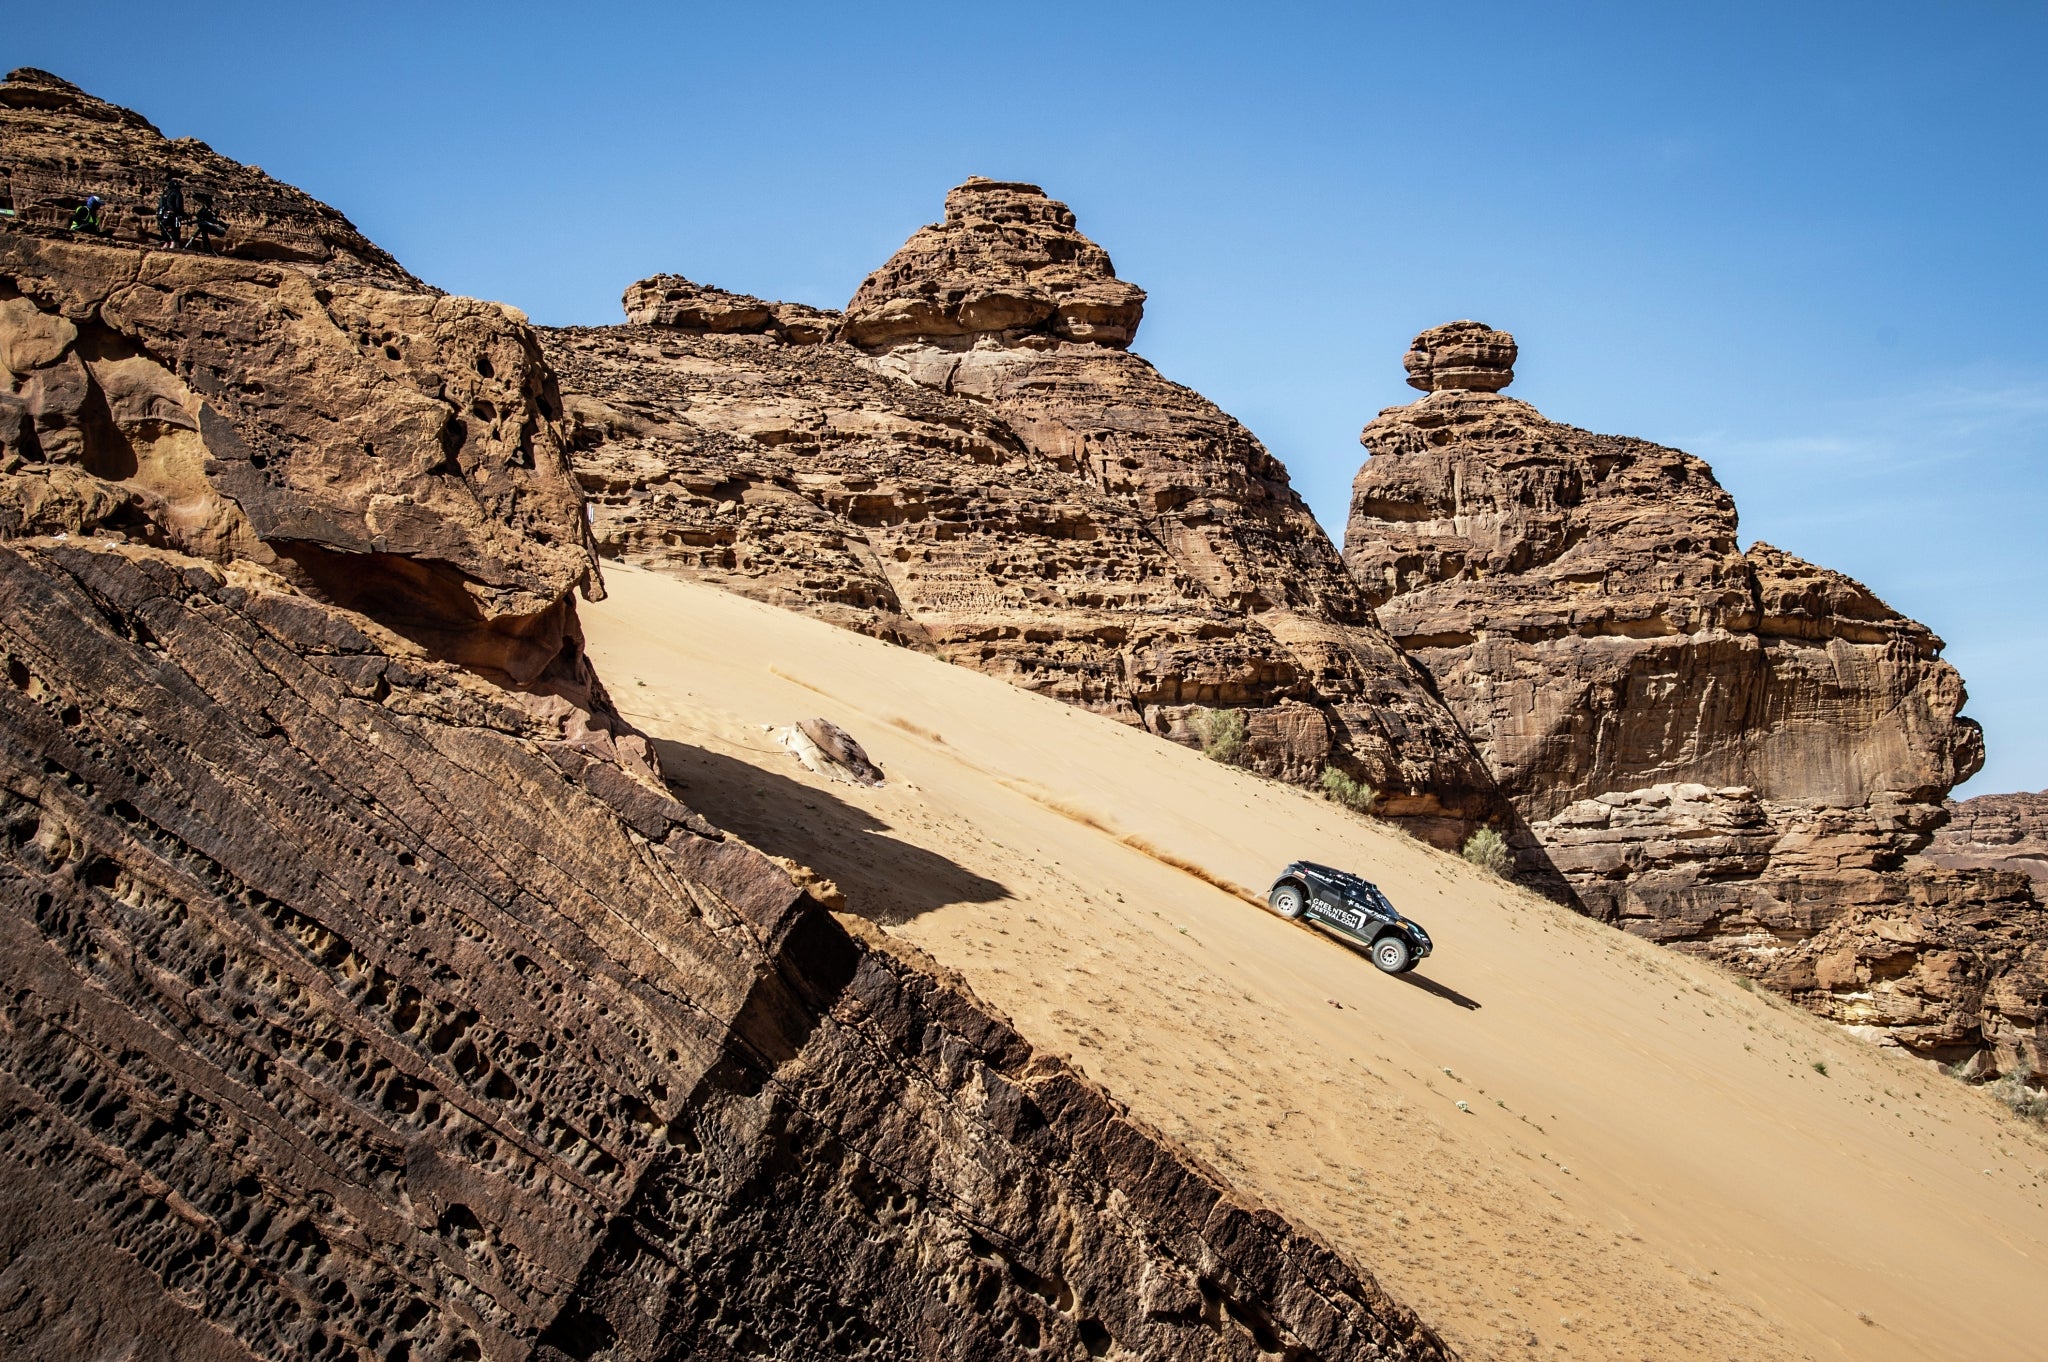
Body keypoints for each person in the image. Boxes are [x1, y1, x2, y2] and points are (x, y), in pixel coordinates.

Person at [156, 175, 183, 247]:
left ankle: (166, 246)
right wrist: (183, 215)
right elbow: (178, 207)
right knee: (174, 235)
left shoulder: (164, 194)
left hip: (162, 217)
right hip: (172, 217)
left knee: (166, 237)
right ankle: (174, 248)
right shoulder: (177, 193)